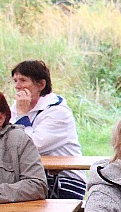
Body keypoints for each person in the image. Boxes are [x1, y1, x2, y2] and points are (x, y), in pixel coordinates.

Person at [10, 59, 85, 199]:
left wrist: (22, 116)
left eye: (23, 80)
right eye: (15, 81)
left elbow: (30, 147)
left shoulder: (58, 112)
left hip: (65, 181)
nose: (17, 86)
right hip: (30, 177)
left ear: (41, 84)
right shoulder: (17, 108)